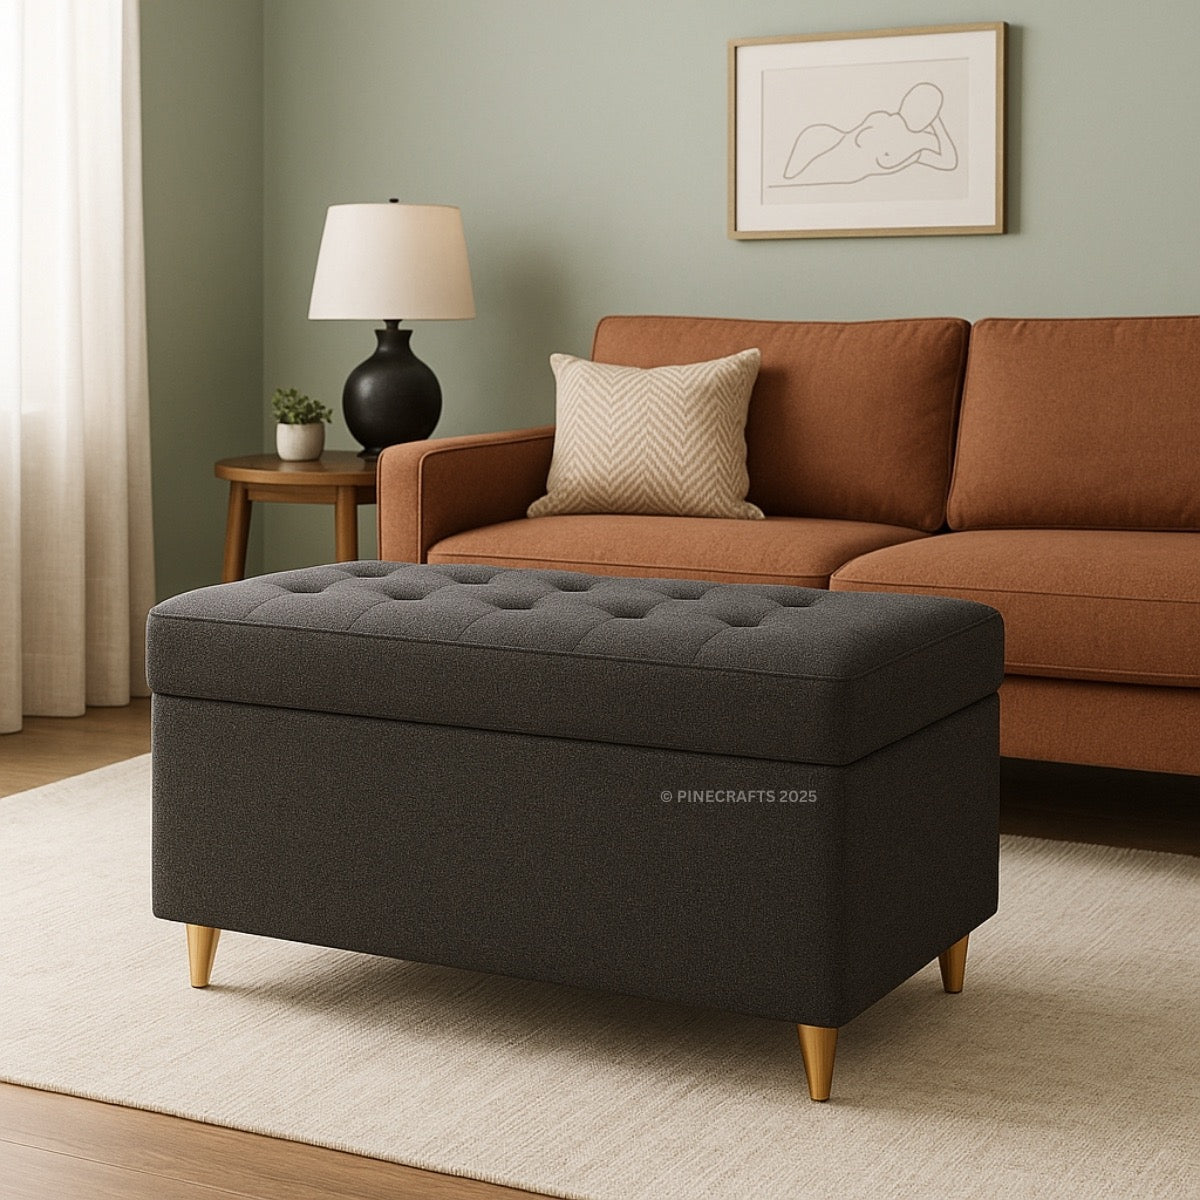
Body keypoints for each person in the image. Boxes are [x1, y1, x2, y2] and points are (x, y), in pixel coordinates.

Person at [782, 82, 957, 185]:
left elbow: (949, 162)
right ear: (906, 102)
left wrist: (937, 123)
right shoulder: (882, 121)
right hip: (830, 146)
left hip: (839, 166)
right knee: (806, 171)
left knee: (808, 174)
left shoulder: (913, 143)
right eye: (918, 104)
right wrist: (933, 126)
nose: (923, 115)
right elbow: (873, 150)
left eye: (930, 112)